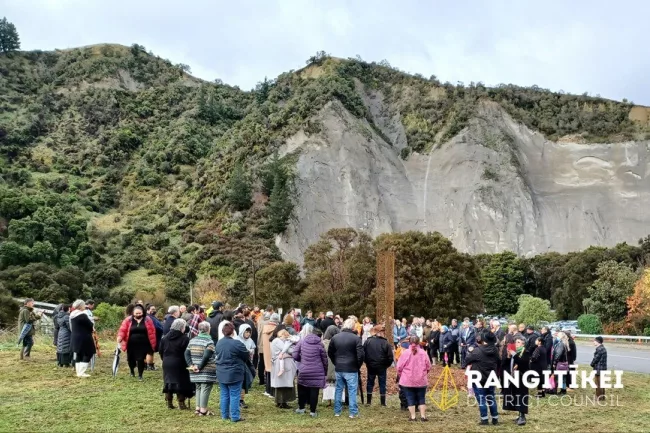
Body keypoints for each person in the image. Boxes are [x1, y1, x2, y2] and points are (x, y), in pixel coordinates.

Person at [215, 322, 252, 422]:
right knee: (235, 394)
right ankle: (235, 416)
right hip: (234, 373)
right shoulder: (237, 343)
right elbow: (246, 355)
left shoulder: (219, 342)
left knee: (224, 394)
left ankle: (224, 415)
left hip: (221, 372)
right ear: (233, 332)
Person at [328, 318, 364, 418]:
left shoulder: (335, 337)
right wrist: (357, 365)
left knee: (339, 389)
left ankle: (337, 411)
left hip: (339, 366)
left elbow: (330, 352)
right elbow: (360, 355)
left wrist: (336, 362)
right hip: (351, 367)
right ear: (353, 327)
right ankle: (353, 412)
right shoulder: (356, 338)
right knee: (352, 390)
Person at [465, 330, 500, 425]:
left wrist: (469, 351)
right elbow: (499, 362)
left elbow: (467, 361)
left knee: (481, 399)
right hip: (491, 378)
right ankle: (495, 418)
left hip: (479, 378)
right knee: (491, 397)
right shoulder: (495, 350)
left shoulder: (477, 351)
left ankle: (484, 419)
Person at [293, 324, 328, 417]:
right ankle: (313, 411)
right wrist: (325, 371)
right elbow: (324, 359)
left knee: (301, 389)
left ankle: (301, 408)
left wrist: (301, 359)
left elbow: (295, 354)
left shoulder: (302, 341)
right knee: (314, 391)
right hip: (317, 371)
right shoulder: (320, 344)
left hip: (304, 370)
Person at [159, 318, 194, 410]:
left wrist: (164, 359)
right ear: (182, 327)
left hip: (166, 362)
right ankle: (181, 403)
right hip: (180, 362)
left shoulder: (164, 338)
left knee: (168, 382)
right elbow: (187, 353)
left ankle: (169, 402)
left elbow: (161, 351)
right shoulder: (185, 339)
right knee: (181, 382)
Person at [185, 321, 217, 416]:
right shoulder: (209, 342)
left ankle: (197, 408)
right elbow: (206, 356)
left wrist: (191, 365)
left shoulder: (192, 340)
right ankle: (203, 410)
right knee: (205, 388)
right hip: (206, 370)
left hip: (194, 368)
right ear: (208, 329)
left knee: (198, 387)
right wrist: (199, 367)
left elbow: (186, 353)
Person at [117, 304, 157, 380]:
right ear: (133, 313)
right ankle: (132, 371)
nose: (138, 315)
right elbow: (123, 330)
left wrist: (152, 343)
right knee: (130, 359)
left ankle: (140, 375)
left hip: (143, 344)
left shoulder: (147, 320)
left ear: (143, 312)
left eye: (140, 313)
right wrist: (120, 337)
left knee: (141, 359)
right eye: (136, 313)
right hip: (131, 344)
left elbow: (152, 331)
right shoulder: (128, 320)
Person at [397, 336, 431, 421]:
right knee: (421, 398)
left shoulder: (405, 353)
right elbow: (428, 366)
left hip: (407, 380)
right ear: (419, 342)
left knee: (410, 398)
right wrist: (423, 374)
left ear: (409, 342)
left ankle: (413, 417)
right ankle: (423, 416)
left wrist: (402, 375)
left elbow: (399, 367)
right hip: (421, 380)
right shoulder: (423, 353)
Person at [364, 325, 393, 406]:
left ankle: (369, 402)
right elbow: (390, 357)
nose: (384, 333)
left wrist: (367, 362)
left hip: (372, 365)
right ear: (379, 332)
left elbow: (363, 353)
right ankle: (382, 403)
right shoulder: (385, 342)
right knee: (382, 383)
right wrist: (386, 365)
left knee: (370, 382)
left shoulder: (368, 341)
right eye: (383, 331)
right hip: (381, 366)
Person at [503, 336, 530, 426]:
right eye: (516, 342)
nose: (516, 344)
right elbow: (505, 364)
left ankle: (522, 416)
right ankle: (519, 414)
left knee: (522, 396)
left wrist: (514, 354)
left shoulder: (525, 352)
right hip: (513, 377)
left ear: (523, 344)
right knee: (515, 396)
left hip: (522, 378)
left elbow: (522, 363)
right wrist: (508, 356)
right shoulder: (514, 353)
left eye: (518, 342)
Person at [271, 329, 298, 408]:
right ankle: (282, 402)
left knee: (282, 383)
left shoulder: (276, 341)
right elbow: (289, 350)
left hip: (281, 364)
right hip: (282, 365)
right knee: (283, 384)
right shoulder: (278, 341)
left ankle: (280, 401)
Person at [70, 300, 96, 377]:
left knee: (79, 353)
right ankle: (81, 372)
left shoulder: (72, 314)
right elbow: (90, 324)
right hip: (84, 336)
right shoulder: (82, 315)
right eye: (84, 305)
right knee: (89, 353)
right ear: (81, 306)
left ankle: (78, 372)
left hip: (75, 336)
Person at [235, 323, 256, 408]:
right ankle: (239, 399)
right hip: (240, 363)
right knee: (241, 381)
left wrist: (251, 351)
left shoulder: (250, 340)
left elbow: (253, 349)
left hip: (247, 363)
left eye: (249, 332)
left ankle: (241, 398)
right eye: (246, 332)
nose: (247, 334)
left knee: (248, 378)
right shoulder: (237, 340)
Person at [262, 313, 280, 397]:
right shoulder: (276, 329)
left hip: (266, 351)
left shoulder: (265, 328)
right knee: (273, 371)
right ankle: (272, 391)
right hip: (273, 352)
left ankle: (267, 390)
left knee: (268, 369)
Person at [322, 325, 340, 406]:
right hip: (337, 365)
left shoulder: (324, 343)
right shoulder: (338, 343)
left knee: (328, 383)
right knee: (337, 383)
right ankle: (338, 399)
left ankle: (329, 401)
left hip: (327, 366)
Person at [590, 336, 608, 401]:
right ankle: (602, 397)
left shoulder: (599, 349)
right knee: (601, 384)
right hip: (602, 368)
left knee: (598, 384)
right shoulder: (603, 348)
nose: (593, 342)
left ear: (598, 341)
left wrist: (591, 364)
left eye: (594, 341)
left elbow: (596, 359)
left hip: (598, 369)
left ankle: (598, 397)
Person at [146, 304, 163, 370]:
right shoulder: (148, 317)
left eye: (154, 309)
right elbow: (155, 326)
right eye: (152, 309)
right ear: (148, 310)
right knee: (150, 351)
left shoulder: (151, 316)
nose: (154, 311)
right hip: (150, 337)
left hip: (154, 337)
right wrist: (161, 329)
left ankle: (147, 365)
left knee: (150, 351)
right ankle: (149, 366)